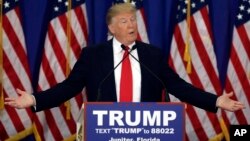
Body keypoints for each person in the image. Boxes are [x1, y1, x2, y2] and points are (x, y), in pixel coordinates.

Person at [5, 3, 245, 113]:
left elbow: (177, 86)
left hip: (147, 131)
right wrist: (35, 100)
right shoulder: (93, 56)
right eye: (124, 21)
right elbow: (69, 88)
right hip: (105, 131)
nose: (131, 24)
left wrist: (215, 101)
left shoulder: (153, 55)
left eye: (133, 20)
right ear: (111, 28)